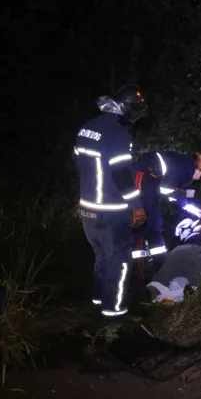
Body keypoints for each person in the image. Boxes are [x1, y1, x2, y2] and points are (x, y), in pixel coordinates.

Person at [73, 84, 149, 319]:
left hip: (88, 209)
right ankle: (114, 314)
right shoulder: (118, 133)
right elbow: (122, 175)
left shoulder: (88, 127)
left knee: (102, 257)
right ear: (127, 109)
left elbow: (77, 163)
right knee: (120, 261)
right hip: (110, 212)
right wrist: (137, 206)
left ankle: (97, 303)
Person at [131, 151, 201, 275]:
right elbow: (167, 190)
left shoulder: (184, 163)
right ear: (198, 168)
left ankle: (156, 262)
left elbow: (171, 191)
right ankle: (147, 266)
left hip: (148, 179)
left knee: (153, 222)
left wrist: (189, 206)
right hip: (143, 176)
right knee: (149, 221)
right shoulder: (186, 169)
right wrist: (188, 206)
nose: (200, 178)